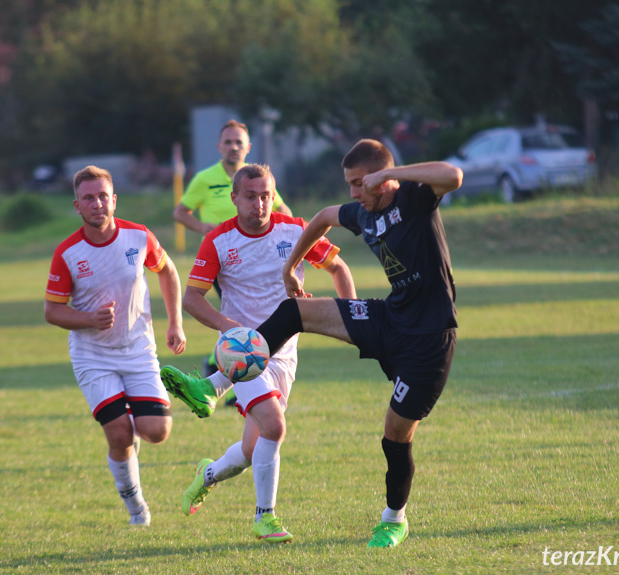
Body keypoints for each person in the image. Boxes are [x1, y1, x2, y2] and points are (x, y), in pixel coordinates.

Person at [164, 139, 463, 548]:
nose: (354, 194)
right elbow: (323, 216)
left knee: (395, 434)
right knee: (294, 314)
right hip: (388, 318)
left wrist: (392, 174)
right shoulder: (361, 212)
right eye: (350, 185)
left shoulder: (413, 197)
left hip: (429, 339)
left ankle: (394, 519)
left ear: (380, 178)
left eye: (360, 184)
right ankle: (214, 387)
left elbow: (454, 175)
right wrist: (291, 269)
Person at [161, 163, 355, 543]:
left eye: (266, 195)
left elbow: (338, 267)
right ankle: (265, 517)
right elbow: (191, 298)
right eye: (250, 196)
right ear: (235, 199)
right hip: (242, 355)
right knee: (275, 427)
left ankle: (209, 470)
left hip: (284, 355)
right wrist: (229, 328)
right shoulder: (219, 240)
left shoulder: (295, 230)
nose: (259, 204)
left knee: (253, 450)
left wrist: (353, 316)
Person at [44, 165, 186, 527]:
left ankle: (130, 437)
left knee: (156, 431)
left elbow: (168, 272)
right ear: (77, 206)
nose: (97, 204)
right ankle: (136, 505)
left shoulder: (139, 237)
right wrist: (89, 319)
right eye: (88, 198)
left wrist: (175, 323)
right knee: (120, 432)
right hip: (94, 356)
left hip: (138, 349)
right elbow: (52, 311)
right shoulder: (68, 253)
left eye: (103, 196)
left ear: (114, 200)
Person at [174, 120, 293, 402]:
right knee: (243, 318)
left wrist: (292, 241)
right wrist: (203, 228)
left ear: (248, 147)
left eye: (239, 142)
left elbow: (281, 209)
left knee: (255, 320)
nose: (233, 147)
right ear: (219, 147)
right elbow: (181, 212)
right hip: (224, 257)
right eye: (228, 142)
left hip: (259, 254)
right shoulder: (205, 178)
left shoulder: (257, 178)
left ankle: (219, 379)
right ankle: (233, 380)